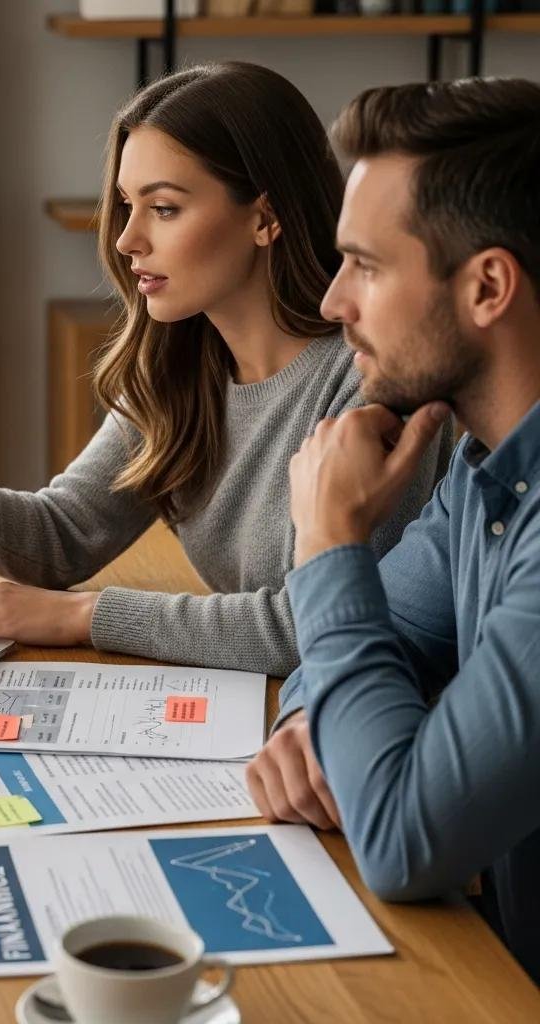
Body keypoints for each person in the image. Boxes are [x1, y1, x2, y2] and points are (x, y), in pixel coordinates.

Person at [0, 62, 451, 677]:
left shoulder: (368, 385)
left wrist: (83, 617)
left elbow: (320, 625)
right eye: (124, 205)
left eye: (165, 208)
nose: (126, 239)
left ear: (264, 217)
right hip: (262, 706)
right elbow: (60, 540)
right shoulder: (176, 370)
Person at [244, 77, 540, 983]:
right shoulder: (483, 463)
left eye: (365, 266)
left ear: (488, 285)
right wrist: (312, 716)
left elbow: (407, 839)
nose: (334, 303)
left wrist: (329, 541)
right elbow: (387, 640)